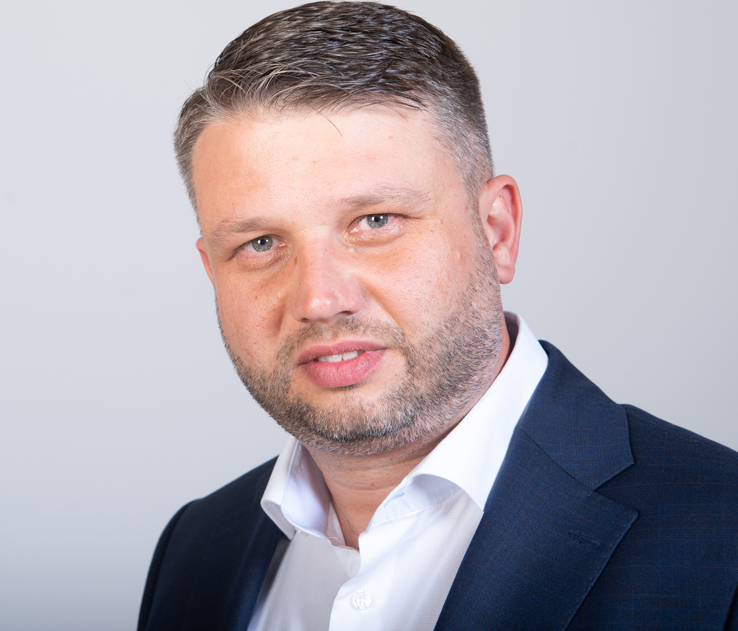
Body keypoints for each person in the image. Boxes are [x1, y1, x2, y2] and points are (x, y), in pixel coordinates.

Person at [138, 2, 738, 630]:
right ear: (212, 271)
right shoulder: (195, 548)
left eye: (375, 221)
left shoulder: (720, 536)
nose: (319, 299)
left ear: (497, 231)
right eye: (260, 243)